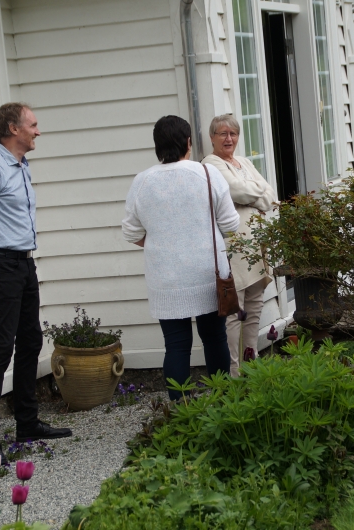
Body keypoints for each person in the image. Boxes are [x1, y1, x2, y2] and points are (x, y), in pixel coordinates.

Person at [0, 103, 71, 463]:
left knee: (30, 340)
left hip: (24, 263)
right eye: (33, 125)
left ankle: (27, 423)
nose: (38, 131)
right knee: (1, 348)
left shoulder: (21, 166)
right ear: (13, 128)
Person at [122, 115, 239, 399]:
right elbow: (231, 225)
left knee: (175, 345)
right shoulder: (208, 174)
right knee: (215, 339)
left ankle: (181, 411)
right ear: (188, 142)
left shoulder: (142, 181)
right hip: (208, 274)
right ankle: (222, 402)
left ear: (157, 145)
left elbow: (131, 232)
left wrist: (162, 244)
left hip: (166, 279)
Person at [201, 114, 278, 377]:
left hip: (256, 247)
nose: (229, 139)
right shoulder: (211, 163)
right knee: (235, 310)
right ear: (212, 137)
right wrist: (256, 193)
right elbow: (236, 191)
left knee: (255, 306)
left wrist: (253, 195)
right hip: (233, 248)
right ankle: (234, 371)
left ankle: (251, 364)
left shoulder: (244, 162)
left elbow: (270, 195)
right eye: (222, 133)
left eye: (233, 133)